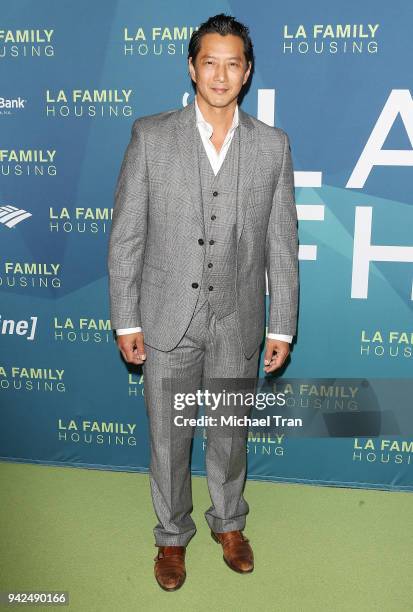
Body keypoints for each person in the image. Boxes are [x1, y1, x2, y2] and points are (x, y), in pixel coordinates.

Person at [107, 13, 299, 592]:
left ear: (246, 73)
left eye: (232, 63)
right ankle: (171, 535)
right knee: (168, 434)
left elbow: (282, 243)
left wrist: (281, 325)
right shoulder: (151, 135)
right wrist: (127, 317)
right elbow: (126, 237)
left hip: (237, 318)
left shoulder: (272, 146)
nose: (220, 73)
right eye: (209, 61)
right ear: (192, 67)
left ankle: (229, 522)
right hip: (167, 316)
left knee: (229, 429)